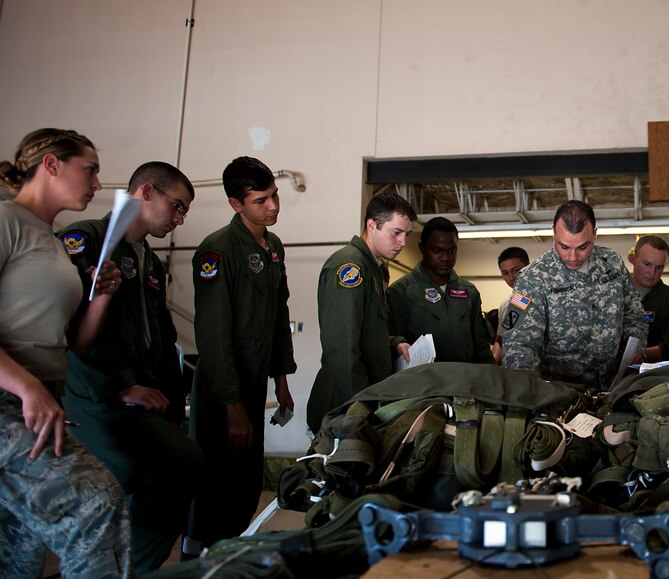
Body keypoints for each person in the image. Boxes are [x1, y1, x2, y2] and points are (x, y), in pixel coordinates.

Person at [59, 161, 205, 574]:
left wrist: (174, 400)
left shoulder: (150, 263)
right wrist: (122, 385)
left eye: (184, 213)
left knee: (180, 465)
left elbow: (161, 341)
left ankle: (134, 568)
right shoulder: (86, 240)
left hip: (137, 393)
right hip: (94, 394)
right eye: (176, 206)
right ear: (145, 192)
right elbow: (69, 329)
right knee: (124, 484)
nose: (178, 219)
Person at [0, 128, 129, 577]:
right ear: (51, 164)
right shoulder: (5, 221)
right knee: (95, 505)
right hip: (10, 398)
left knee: (18, 547)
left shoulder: (53, 240)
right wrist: (28, 387)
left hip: (39, 396)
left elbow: (76, 342)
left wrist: (102, 295)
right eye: (89, 170)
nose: (97, 184)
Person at [186, 157, 297, 554]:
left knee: (247, 483)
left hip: (253, 384)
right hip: (222, 389)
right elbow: (214, 337)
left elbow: (277, 317)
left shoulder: (273, 246)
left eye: (274, 195)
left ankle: (230, 554)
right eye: (260, 200)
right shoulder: (217, 250)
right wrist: (232, 408)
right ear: (236, 204)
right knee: (214, 485)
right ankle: (196, 557)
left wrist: (281, 382)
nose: (273, 206)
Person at [502, 200, 646, 389]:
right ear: (554, 232)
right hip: (561, 392)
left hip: (613, 387)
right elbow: (518, 345)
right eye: (564, 247)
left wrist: (636, 351)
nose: (572, 257)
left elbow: (634, 315)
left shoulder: (612, 264)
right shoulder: (532, 279)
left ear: (595, 233)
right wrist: (532, 394)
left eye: (582, 247)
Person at [307, 191, 415, 433]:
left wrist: (394, 343)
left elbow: (365, 330)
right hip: (343, 405)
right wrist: (361, 404)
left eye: (406, 235)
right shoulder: (350, 266)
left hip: (360, 399)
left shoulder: (373, 269)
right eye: (396, 233)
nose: (402, 242)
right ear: (371, 225)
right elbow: (342, 346)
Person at [387, 217, 494, 365]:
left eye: (451, 251)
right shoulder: (401, 292)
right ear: (422, 248)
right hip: (422, 382)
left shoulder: (469, 292)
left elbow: (482, 348)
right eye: (437, 251)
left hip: (463, 380)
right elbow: (387, 340)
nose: (445, 258)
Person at [628, 235, 669, 362]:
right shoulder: (614, 296)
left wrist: (638, 356)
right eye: (647, 264)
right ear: (633, 259)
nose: (652, 273)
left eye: (659, 267)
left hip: (656, 376)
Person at [493, 247, 530, 364]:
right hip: (514, 372)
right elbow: (501, 340)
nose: (511, 277)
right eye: (505, 273)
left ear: (528, 267)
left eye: (516, 270)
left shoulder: (548, 297)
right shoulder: (506, 304)